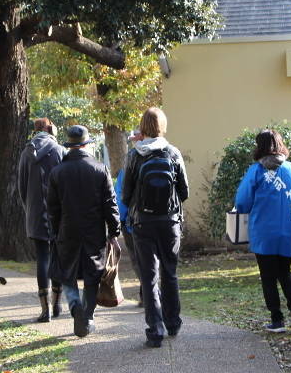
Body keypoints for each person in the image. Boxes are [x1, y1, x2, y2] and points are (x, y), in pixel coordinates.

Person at [234, 129, 291, 333]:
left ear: (259, 146)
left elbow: (242, 202)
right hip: (290, 229)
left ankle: (277, 320)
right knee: (284, 272)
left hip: (264, 232)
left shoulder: (255, 171)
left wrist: (243, 209)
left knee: (268, 276)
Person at [122, 107, 189, 348]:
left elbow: (126, 193)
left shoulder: (134, 155)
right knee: (169, 273)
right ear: (162, 125)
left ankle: (155, 330)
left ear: (143, 127)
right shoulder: (173, 152)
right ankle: (173, 323)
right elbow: (185, 191)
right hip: (170, 222)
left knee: (149, 277)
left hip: (143, 222)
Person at [47, 125, 120, 338]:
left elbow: (52, 208)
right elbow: (110, 203)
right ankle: (87, 316)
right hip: (93, 232)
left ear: (69, 146)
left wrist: (55, 231)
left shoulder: (57, 172)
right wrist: (114, 231)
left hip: (66, 231)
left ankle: (75, 309)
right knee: (92, 276)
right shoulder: (99, 168)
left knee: (67, 275)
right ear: (87, 144)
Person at [18, 117, 66, 323]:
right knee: (57, 256)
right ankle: (57, 302)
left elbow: (21, 186)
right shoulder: (60, 151)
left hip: (35, 212)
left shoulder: (26, 153)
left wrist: (28, 206)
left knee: (42, 258)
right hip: (58, 213)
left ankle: (44, 309)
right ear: (51, 129)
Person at [114, 129, 144, 307]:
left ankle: (147, 295)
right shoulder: (168, 154)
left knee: (138, 259)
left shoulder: (130, 161)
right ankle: (151, 294)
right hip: (162, 220)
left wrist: (121, 219)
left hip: (134, 221)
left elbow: (122, 194)